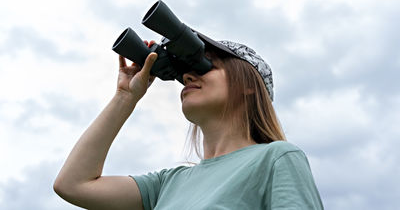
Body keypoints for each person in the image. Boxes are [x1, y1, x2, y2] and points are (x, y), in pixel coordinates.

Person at [54, 33, 324, 209]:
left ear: (248, 85)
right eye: (185, 73)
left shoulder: (277, 158)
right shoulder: (167, 184)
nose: (188, 77)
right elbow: (73, 185)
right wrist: (125, 97)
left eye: (206, 66)